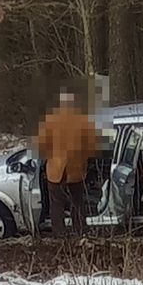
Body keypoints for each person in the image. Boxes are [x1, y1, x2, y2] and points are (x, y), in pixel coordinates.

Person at [36, 84, 99, 237]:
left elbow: (41, 145)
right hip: (77, 170)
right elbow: (92, 146)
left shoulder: (50, 120)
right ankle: (80, 232)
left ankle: (60, 236)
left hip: (56, 171)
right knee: (77, 204)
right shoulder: (84, 120)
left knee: (56, 205)